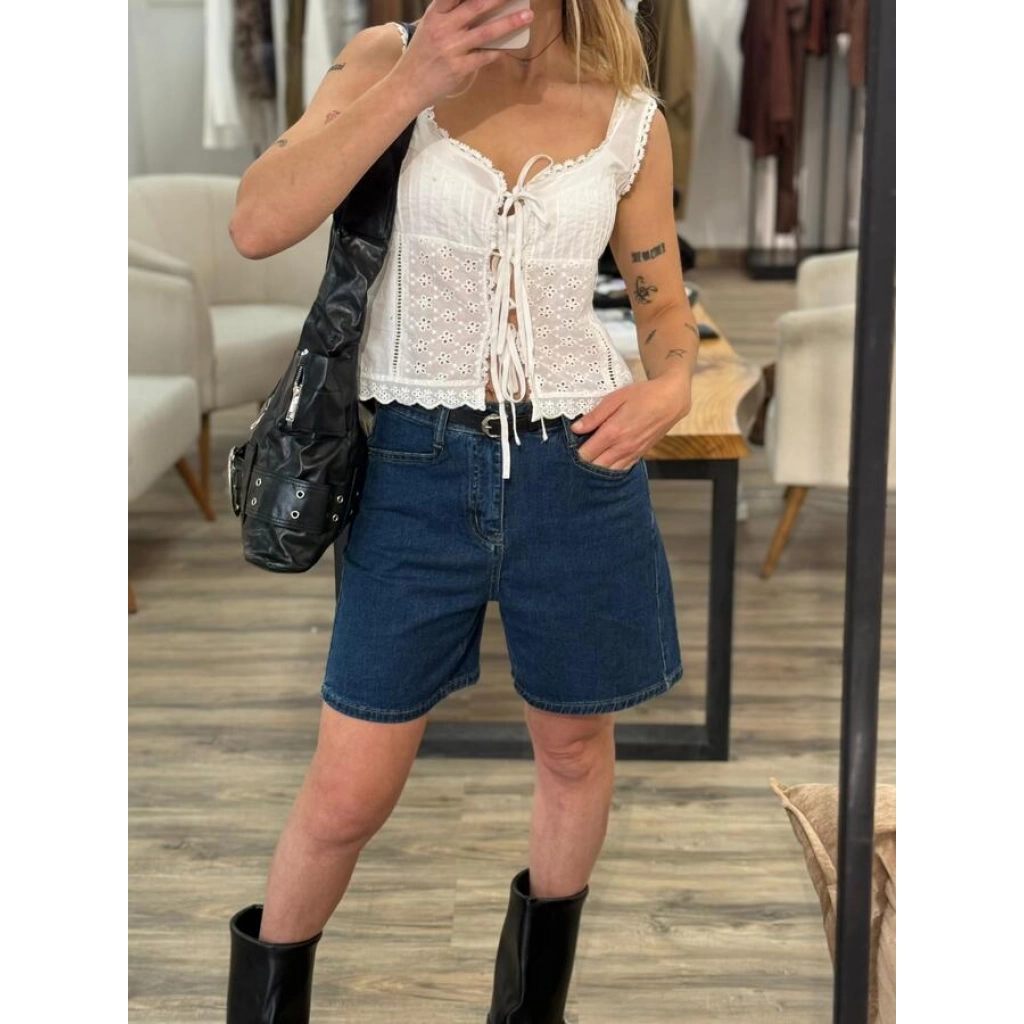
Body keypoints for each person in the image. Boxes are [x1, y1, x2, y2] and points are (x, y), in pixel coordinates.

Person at [226, 1, 700, 1021]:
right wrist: (414, 83)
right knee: (347, 788)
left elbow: (661, 303)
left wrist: (672, 386)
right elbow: (257, 224)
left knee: (573, 752)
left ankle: (530, 1013)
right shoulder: (385, 59)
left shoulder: (629, 117)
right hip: (413, 468)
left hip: (577, 467)